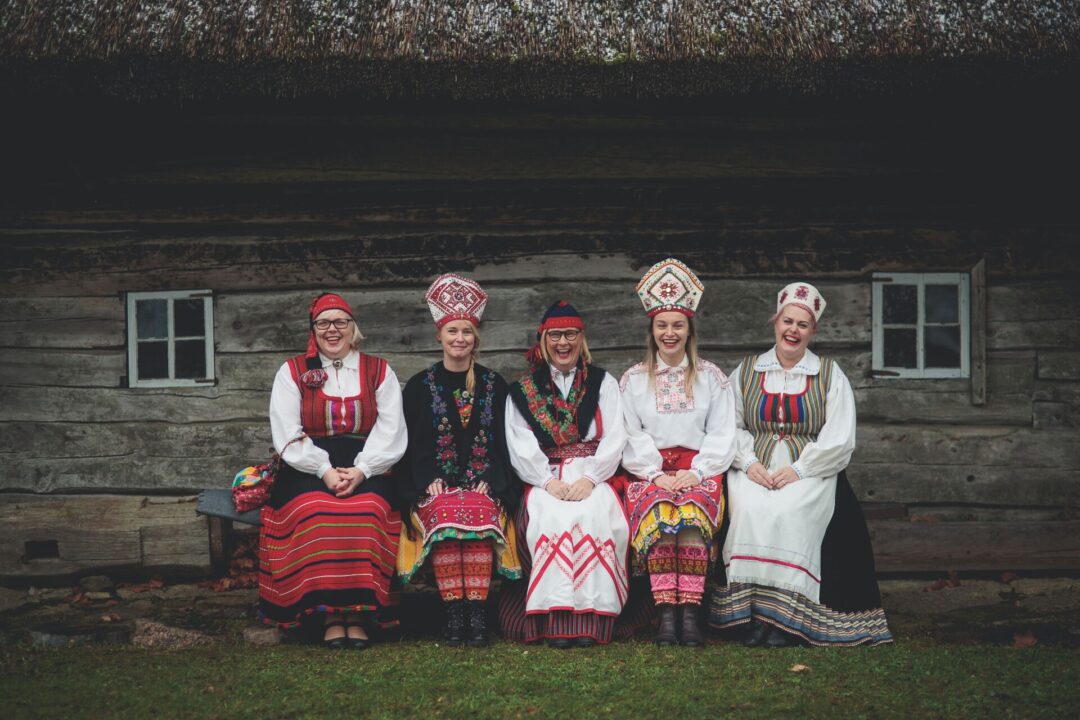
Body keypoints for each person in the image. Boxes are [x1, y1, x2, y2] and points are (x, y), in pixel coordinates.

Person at [709, 282, 892, 647]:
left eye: (802, 325)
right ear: (775, 323)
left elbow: (840, 438)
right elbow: (727, 426)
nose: (793, 330)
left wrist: (800, 469)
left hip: (809, 468)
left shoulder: (828, 374)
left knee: (791, 513)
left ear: (813, 331)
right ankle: (752, 616)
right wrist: (748, 464)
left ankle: (787, 619)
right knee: (750, 509)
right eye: (787, 321)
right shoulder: (746, 371)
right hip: (757, 466)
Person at [259, 292, 407, 649]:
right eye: (323, 323)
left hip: (368, 463)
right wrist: (323, 469)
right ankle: (327, 615)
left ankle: (357, 614)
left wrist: (362, 470)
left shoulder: (379, 370)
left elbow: (391, 430)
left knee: (368, 510)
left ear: (353, 327)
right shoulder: (292, 372)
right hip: (306, 466)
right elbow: (287, 432)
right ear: (313, 330)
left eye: (340, 322)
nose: (332, 330)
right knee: (315, 511)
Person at [397, 274, 521, 647]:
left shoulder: (494, 384)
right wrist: (426, 479)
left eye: (467, 331)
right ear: (440, 335)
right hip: (436, 484)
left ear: (475, 336)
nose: (459, 339)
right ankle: (454, 612)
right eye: (453, 330)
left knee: (480, 511)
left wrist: (491, 477)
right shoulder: (420, 385)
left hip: (482, 482)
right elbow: (411, 441)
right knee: (446, 511)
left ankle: (477, 613)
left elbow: (503, 439)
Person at [620, 258, 736, 646]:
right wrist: (654, 473)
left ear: (690, 330)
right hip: (649, 472)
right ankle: (665, 614)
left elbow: (722, 433)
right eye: (662, 325)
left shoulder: (711, 377)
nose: (669, 333)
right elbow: (630, 434)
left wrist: (698, 472)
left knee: (688, 517)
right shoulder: (634, 380)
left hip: (699, 470)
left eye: (677, 325)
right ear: (651, 330)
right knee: (660, 516)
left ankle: (690, 613)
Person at [500, 301, 630, 648]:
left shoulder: (603, 383)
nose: (563, 343)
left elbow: (615, 435)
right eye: (555, 335)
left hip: (593, 474)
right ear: (542, 341)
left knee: (594, 515)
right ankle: (555, 620)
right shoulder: (523, 391)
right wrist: (548, 482)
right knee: (550, 517)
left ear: (581, 338)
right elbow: (520, 444)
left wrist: (590, 479)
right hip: (546, 475)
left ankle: (593, 618)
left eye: (570, 334)